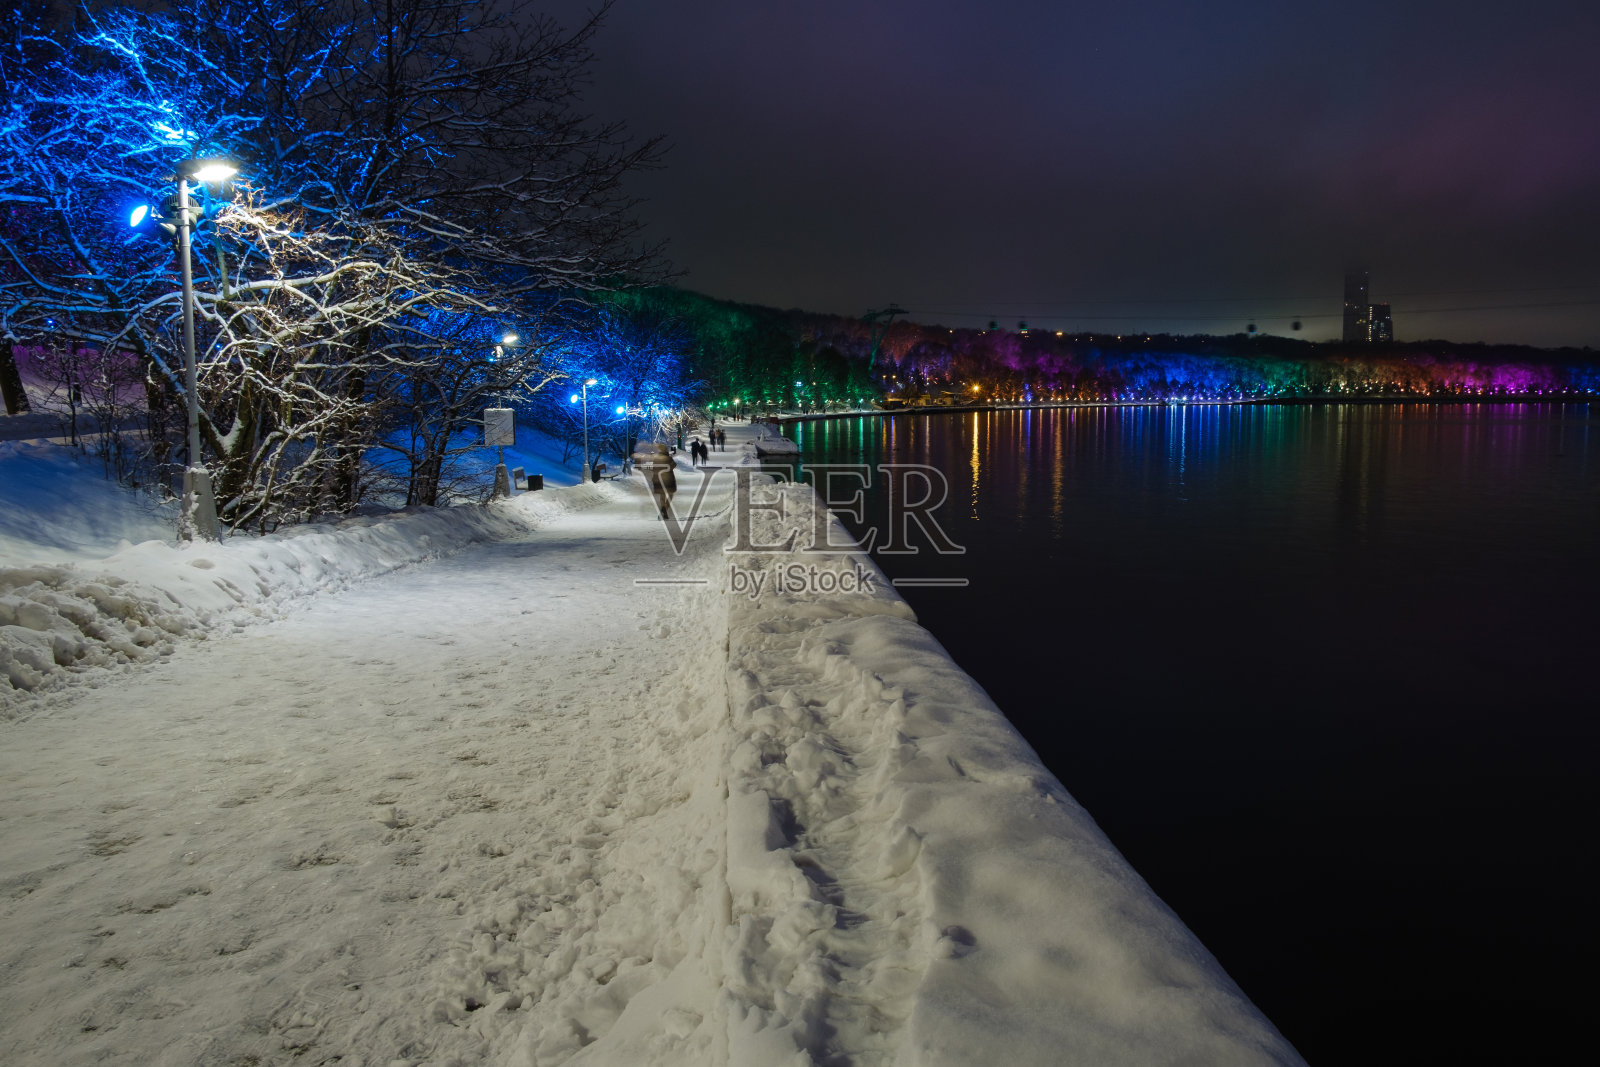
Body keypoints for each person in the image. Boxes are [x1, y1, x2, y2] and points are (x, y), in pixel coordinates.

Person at [632, 441, 678, 519]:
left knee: (662, 496)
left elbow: (651, 467)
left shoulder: (655, 458)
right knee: (670, 495)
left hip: (658, 480)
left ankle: (663, 509)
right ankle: (665, 509)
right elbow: (673, 466)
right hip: (668, 479)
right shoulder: (668, 458)